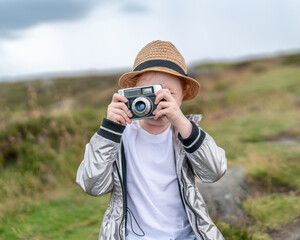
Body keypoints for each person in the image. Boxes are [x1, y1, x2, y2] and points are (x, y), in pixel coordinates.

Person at [76, 40, 227, 240]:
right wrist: (109, 131)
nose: (157, 102)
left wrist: (183, 124)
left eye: (168, 94)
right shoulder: (119, 137)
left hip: (187, 235)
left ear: (182, 97)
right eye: (150, 93)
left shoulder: (186, 134)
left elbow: (214, 171)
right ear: (132, 92)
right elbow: (92, 185)